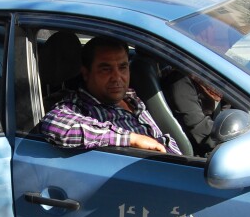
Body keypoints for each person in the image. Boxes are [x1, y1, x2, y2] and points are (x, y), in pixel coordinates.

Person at [40, 36, 181, 155]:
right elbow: (55, 125)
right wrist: (132, 139)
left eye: (122, 67)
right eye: (106, 69)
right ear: (86, 73)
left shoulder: (130, 97)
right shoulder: (80, 106)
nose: (117, 77)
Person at [163, 71, 227, 156]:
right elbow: (199, 127)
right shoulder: (181, 82)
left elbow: (227, 107)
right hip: (198, 153)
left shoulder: (213, 81)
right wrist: (231, 142)